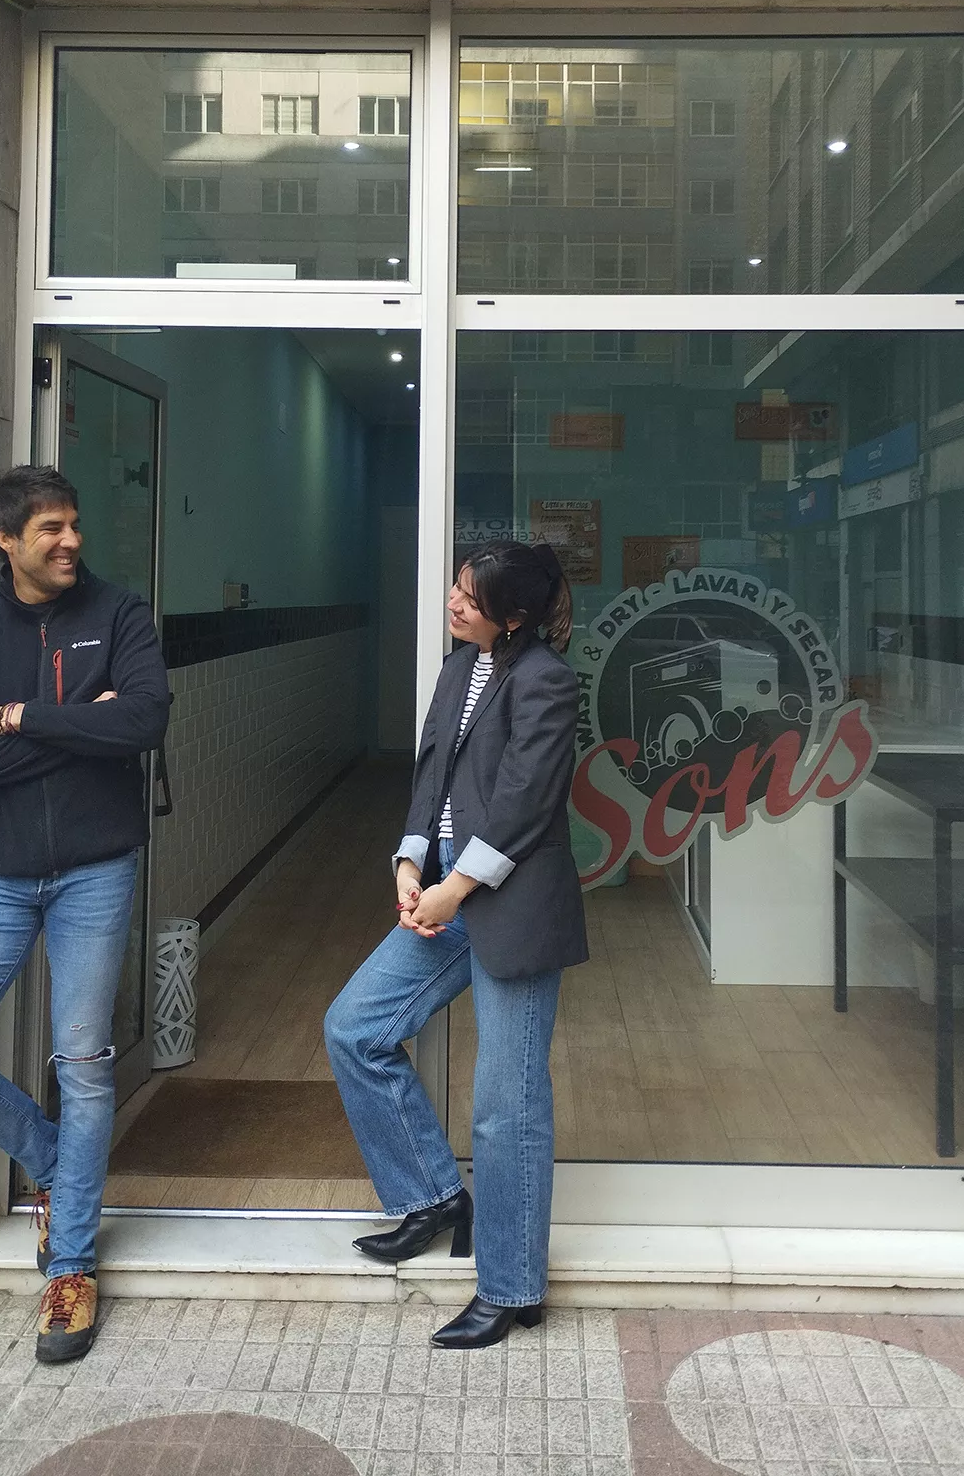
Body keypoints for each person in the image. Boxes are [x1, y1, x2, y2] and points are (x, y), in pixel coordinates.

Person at [0, 465, 169, 1364]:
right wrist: (67, 727)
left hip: (96, 870)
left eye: (75, 523)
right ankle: (60, 1166)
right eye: (50, 528)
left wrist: (16, 719)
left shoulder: (121, 615)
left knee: (85, 1060)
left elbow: (139, 723)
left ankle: (71, 1265)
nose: (71, 541)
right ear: (6, 541)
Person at [325, 540, 586, 1349]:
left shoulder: (546, 679)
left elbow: (524, 803)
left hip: (510, 905)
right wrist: (409, 858)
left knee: (507, 1107)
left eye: (472, 595)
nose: (453, 599)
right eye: (456, 584)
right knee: (355, 1027)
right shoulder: (456, 667)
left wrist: (452, 887)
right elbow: (431, 773)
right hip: (444, 892)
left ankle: (511, 1286)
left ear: (514, 616)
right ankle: (434, 1196)